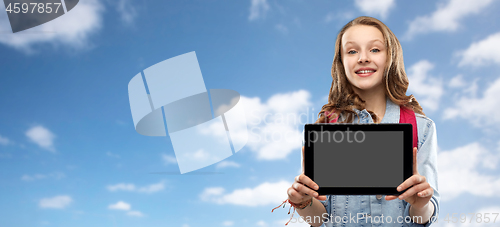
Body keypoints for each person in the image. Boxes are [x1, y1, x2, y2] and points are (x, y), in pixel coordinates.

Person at [281, 16, 439, 227]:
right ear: (341, 62)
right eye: (352, 51)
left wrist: (420, 205)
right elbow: (321, 219)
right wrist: (303, 203)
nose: (363, 58)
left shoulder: (421, 127)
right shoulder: (325, 130)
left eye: (375, 50)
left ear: (390, 57)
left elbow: (425, 215)